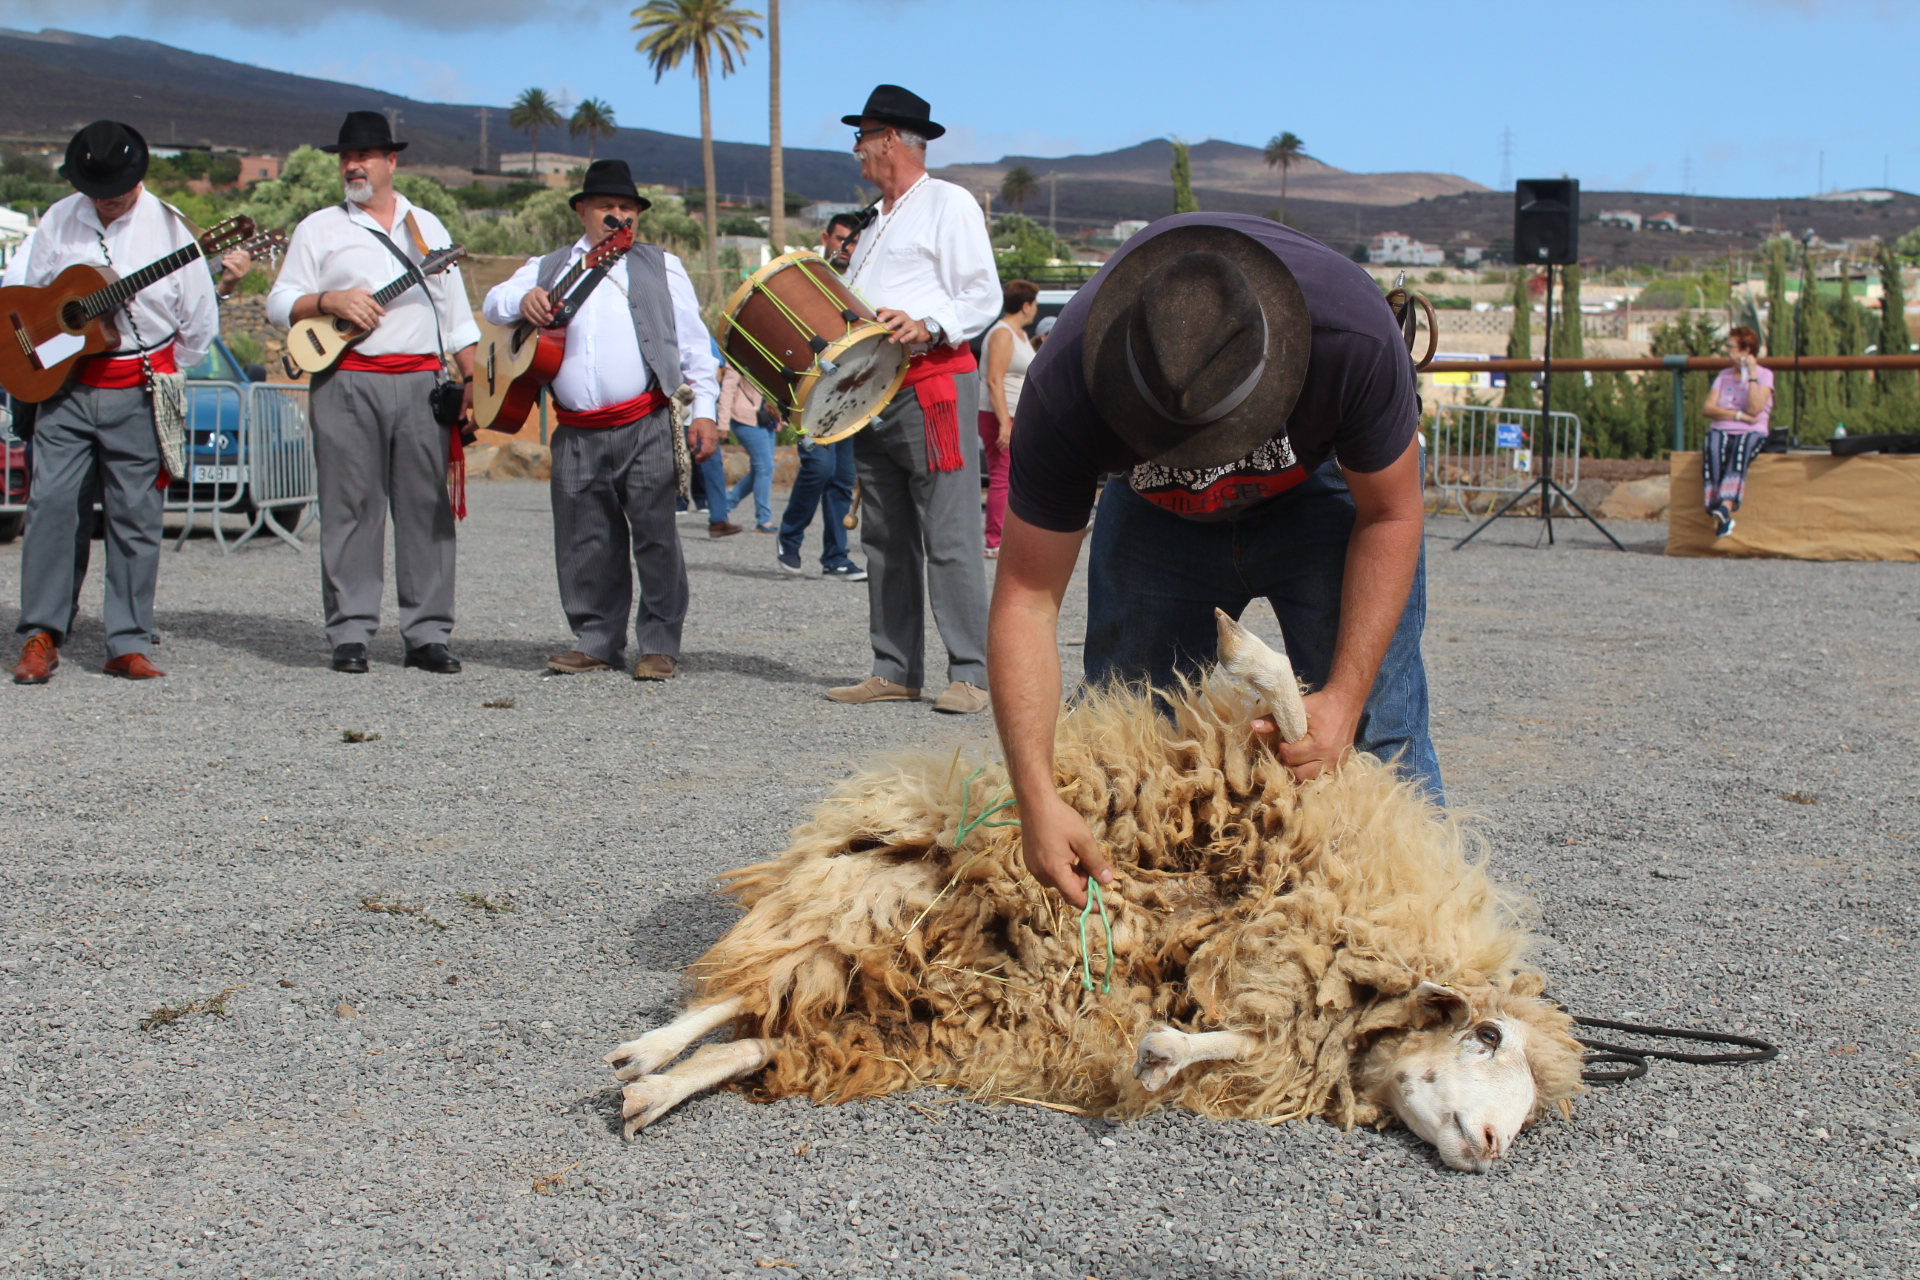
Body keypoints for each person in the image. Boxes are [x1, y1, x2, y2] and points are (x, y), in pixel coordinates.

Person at [989, 213, 1435, 907]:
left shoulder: (1349, 335)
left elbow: (1393, 512)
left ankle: (1418, 942)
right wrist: (1035, 797)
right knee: (1127, 737)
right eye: (1182, 433)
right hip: (1155, 517)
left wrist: (1345, 696)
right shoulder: (1065, 388)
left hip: (1321, 497)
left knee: (1377, 734)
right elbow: (1025, 598)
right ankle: (1147, 930)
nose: (1212, 466)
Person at [482, 159, 721, 680]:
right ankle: (596, 639)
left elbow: (695, 345)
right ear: (582, 211)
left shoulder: (663, 265)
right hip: (576, 429)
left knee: (656, 534)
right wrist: (522, 299)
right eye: (607, 207)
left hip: (645, 421)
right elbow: (492, 302)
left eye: (627, 209)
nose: (618, 216)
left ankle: (659, 643)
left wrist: (705, 410)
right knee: (583, 537)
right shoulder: (545, 266)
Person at [8, 121, 219, 684]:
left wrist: (160, 365)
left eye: (115, 190)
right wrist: (50, 342)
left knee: (135, 517)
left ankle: (126, 640)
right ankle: (41, 634)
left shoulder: (173, 231)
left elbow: (199, 325)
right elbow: (26, 292)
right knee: (50, 507)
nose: (104, 200)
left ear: (137, 177)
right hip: (65, 389)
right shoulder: (59, 217)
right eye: (95, 189)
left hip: (138, 387)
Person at [268, 111, 479, 674]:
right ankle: (351, 632)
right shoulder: (318, 228)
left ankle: (427, 634)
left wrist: (473, 381)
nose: (353, 165)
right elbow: (279, 301)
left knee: (427, 510)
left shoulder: (428, 228)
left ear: (391, 161)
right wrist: (328, 302)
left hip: (420, 383)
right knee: (349, 508)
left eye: (364, 156)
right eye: (345, 157)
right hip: (346, 379)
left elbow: (456, 316)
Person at [827, 85, 999, 714]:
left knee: (950, 533)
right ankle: (895, 668)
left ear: (891, 140)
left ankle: (974, 673)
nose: (857, 152)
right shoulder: (874, 220)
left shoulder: (947, 203)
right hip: (874, 393)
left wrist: (926, 323)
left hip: (931, 387)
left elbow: (982, 294)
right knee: (884, 535)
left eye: (862, 139)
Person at [775, 214, 865, 580]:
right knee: (819, 468)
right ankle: (789, 537)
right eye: (841, 240)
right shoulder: (806, 281)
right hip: (807, 392)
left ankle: (835, 557)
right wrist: (777, 391)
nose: (846, 249)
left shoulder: (862, 283)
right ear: (826, 238)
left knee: (843, 475)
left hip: (849, 391)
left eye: (853, 242)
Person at [979, 279, 1038, 558]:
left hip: (1019, 412)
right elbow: (993, 379)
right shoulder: (1002, 333)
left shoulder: (1022, 335)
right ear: (1026, 306)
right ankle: (993, 541)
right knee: (1001, 476)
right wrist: (1004, 422)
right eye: (1035, 304)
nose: (1036, 310)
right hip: (999, 414)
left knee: (1016, 478)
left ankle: (1009, 536)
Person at [1700, 325, 1772, 538]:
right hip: (1723, 428)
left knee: (1740, 451)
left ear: (1745, 351)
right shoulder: (1723, 376)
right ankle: (1717, 507)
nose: (1725, 350)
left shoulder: (1764, 375)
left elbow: (1755, 408)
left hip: (1751, 431)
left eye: (1730, 347)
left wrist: (1750, 373)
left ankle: (1726, 505)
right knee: (1713, 449)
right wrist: (1737, 416)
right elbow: (1708, 408)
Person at [715, 366, 777, 532]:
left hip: (769, 419)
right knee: (765, 467)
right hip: (745, 418)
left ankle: (725, 505)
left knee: (761, 469)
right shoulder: (738, 355)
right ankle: (764, 520)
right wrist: (723, 424)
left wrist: (782, 419)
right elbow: (727, 391)